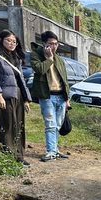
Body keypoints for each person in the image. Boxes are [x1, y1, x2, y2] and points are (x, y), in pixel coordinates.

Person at [0, 30, 32, 165]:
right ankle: (8, 157)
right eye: (8, 41)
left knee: (19, 126)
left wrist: (26, 99)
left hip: (18, 95)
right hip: (4, 96)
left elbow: (21, 78)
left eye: (14, 42)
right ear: (0, 40)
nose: (12, 44)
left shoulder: (14, 56)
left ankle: (19, 156)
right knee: (7, 126)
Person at [30, 31, 71, 162]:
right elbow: (40, 70)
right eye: (50, 44)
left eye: (55, 44)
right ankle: (51, 151)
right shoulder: (36, 55)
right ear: (44, 44)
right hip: (47, 96)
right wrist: (49, 59)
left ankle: (55, 150)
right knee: (50, 124)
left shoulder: (60, 59)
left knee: (57, 125)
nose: (53, 46)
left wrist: (67, 98)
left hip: (61, 96)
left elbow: (64, 79)